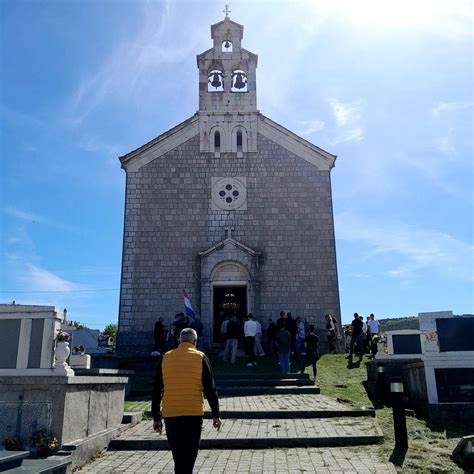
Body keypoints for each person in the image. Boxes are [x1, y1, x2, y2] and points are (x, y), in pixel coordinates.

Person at [152, 328, 221, 474]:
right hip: (193, 413)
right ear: (195, 342)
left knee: (178, 456)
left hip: (171, 413)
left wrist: (156, 417)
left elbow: (157, 388)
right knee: (189, 456)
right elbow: (210, 389)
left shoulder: (166, 357)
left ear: (179, 341)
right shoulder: (201, 357)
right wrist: (216, 415)